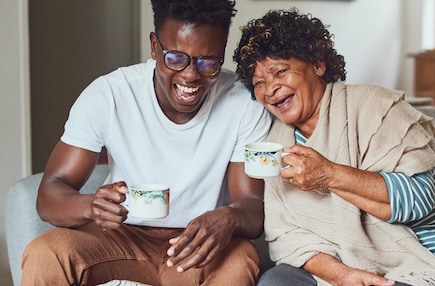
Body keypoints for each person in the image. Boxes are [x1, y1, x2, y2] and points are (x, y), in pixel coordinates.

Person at [21, 0, 272, 285]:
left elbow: (252, 206)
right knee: (46, 252)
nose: (191, 75)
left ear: (222, 53)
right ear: (155, 46)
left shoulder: (243, 103)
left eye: (208, 62)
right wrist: (90, 206)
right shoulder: (110, 95)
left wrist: (228, 217)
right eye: (176, 58)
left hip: (197, 247)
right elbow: (49, 196)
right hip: (119, 238)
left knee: (241, 257)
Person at [234, 8, 435, 286]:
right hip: (344, 262)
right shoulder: (277, 142)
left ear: (318, 65)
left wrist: (328, 174)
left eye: (280, 72)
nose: (270, 88)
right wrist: (342, 275)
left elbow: (418, 200)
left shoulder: (377, 107)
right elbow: (284, 235)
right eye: (259, 83)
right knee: (276, 281)